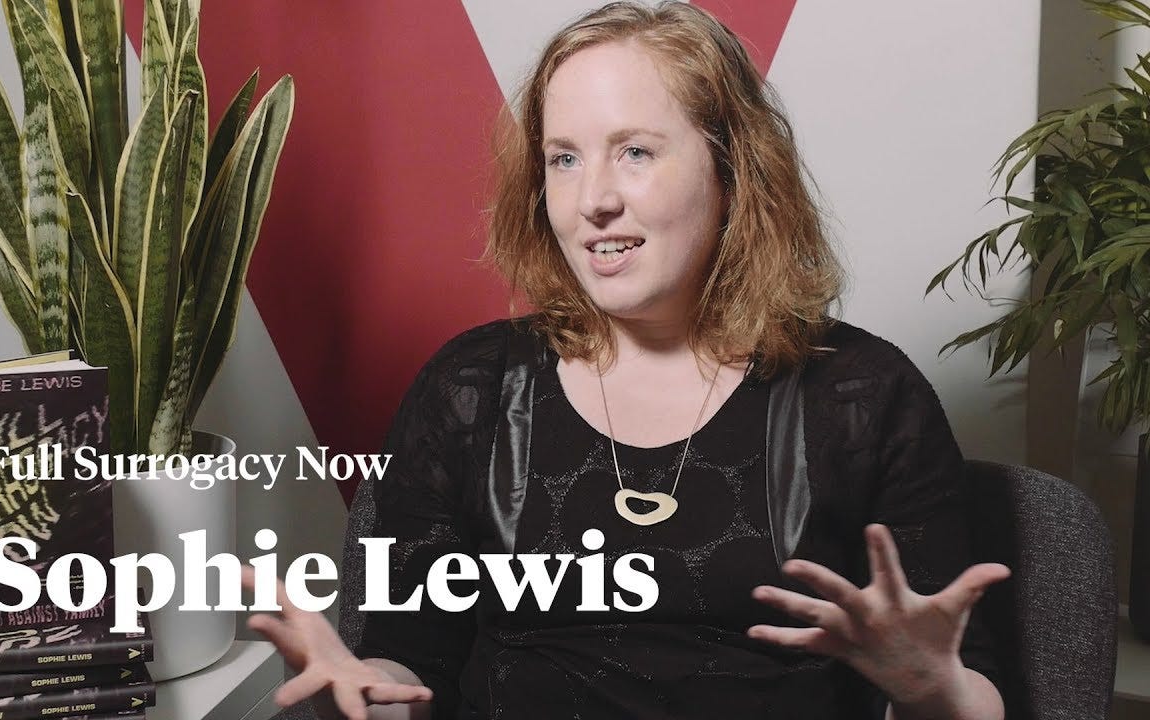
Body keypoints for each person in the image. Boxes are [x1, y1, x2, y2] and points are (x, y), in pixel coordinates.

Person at [243, 3, 1011, 718]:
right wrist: (364, 692)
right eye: (564, 159)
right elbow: (412, 666)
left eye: (635, 152)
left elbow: (972, 693)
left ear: (733, 171)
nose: (593, 200)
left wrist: (930, 686)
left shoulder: (862, 395)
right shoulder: (470, 390)